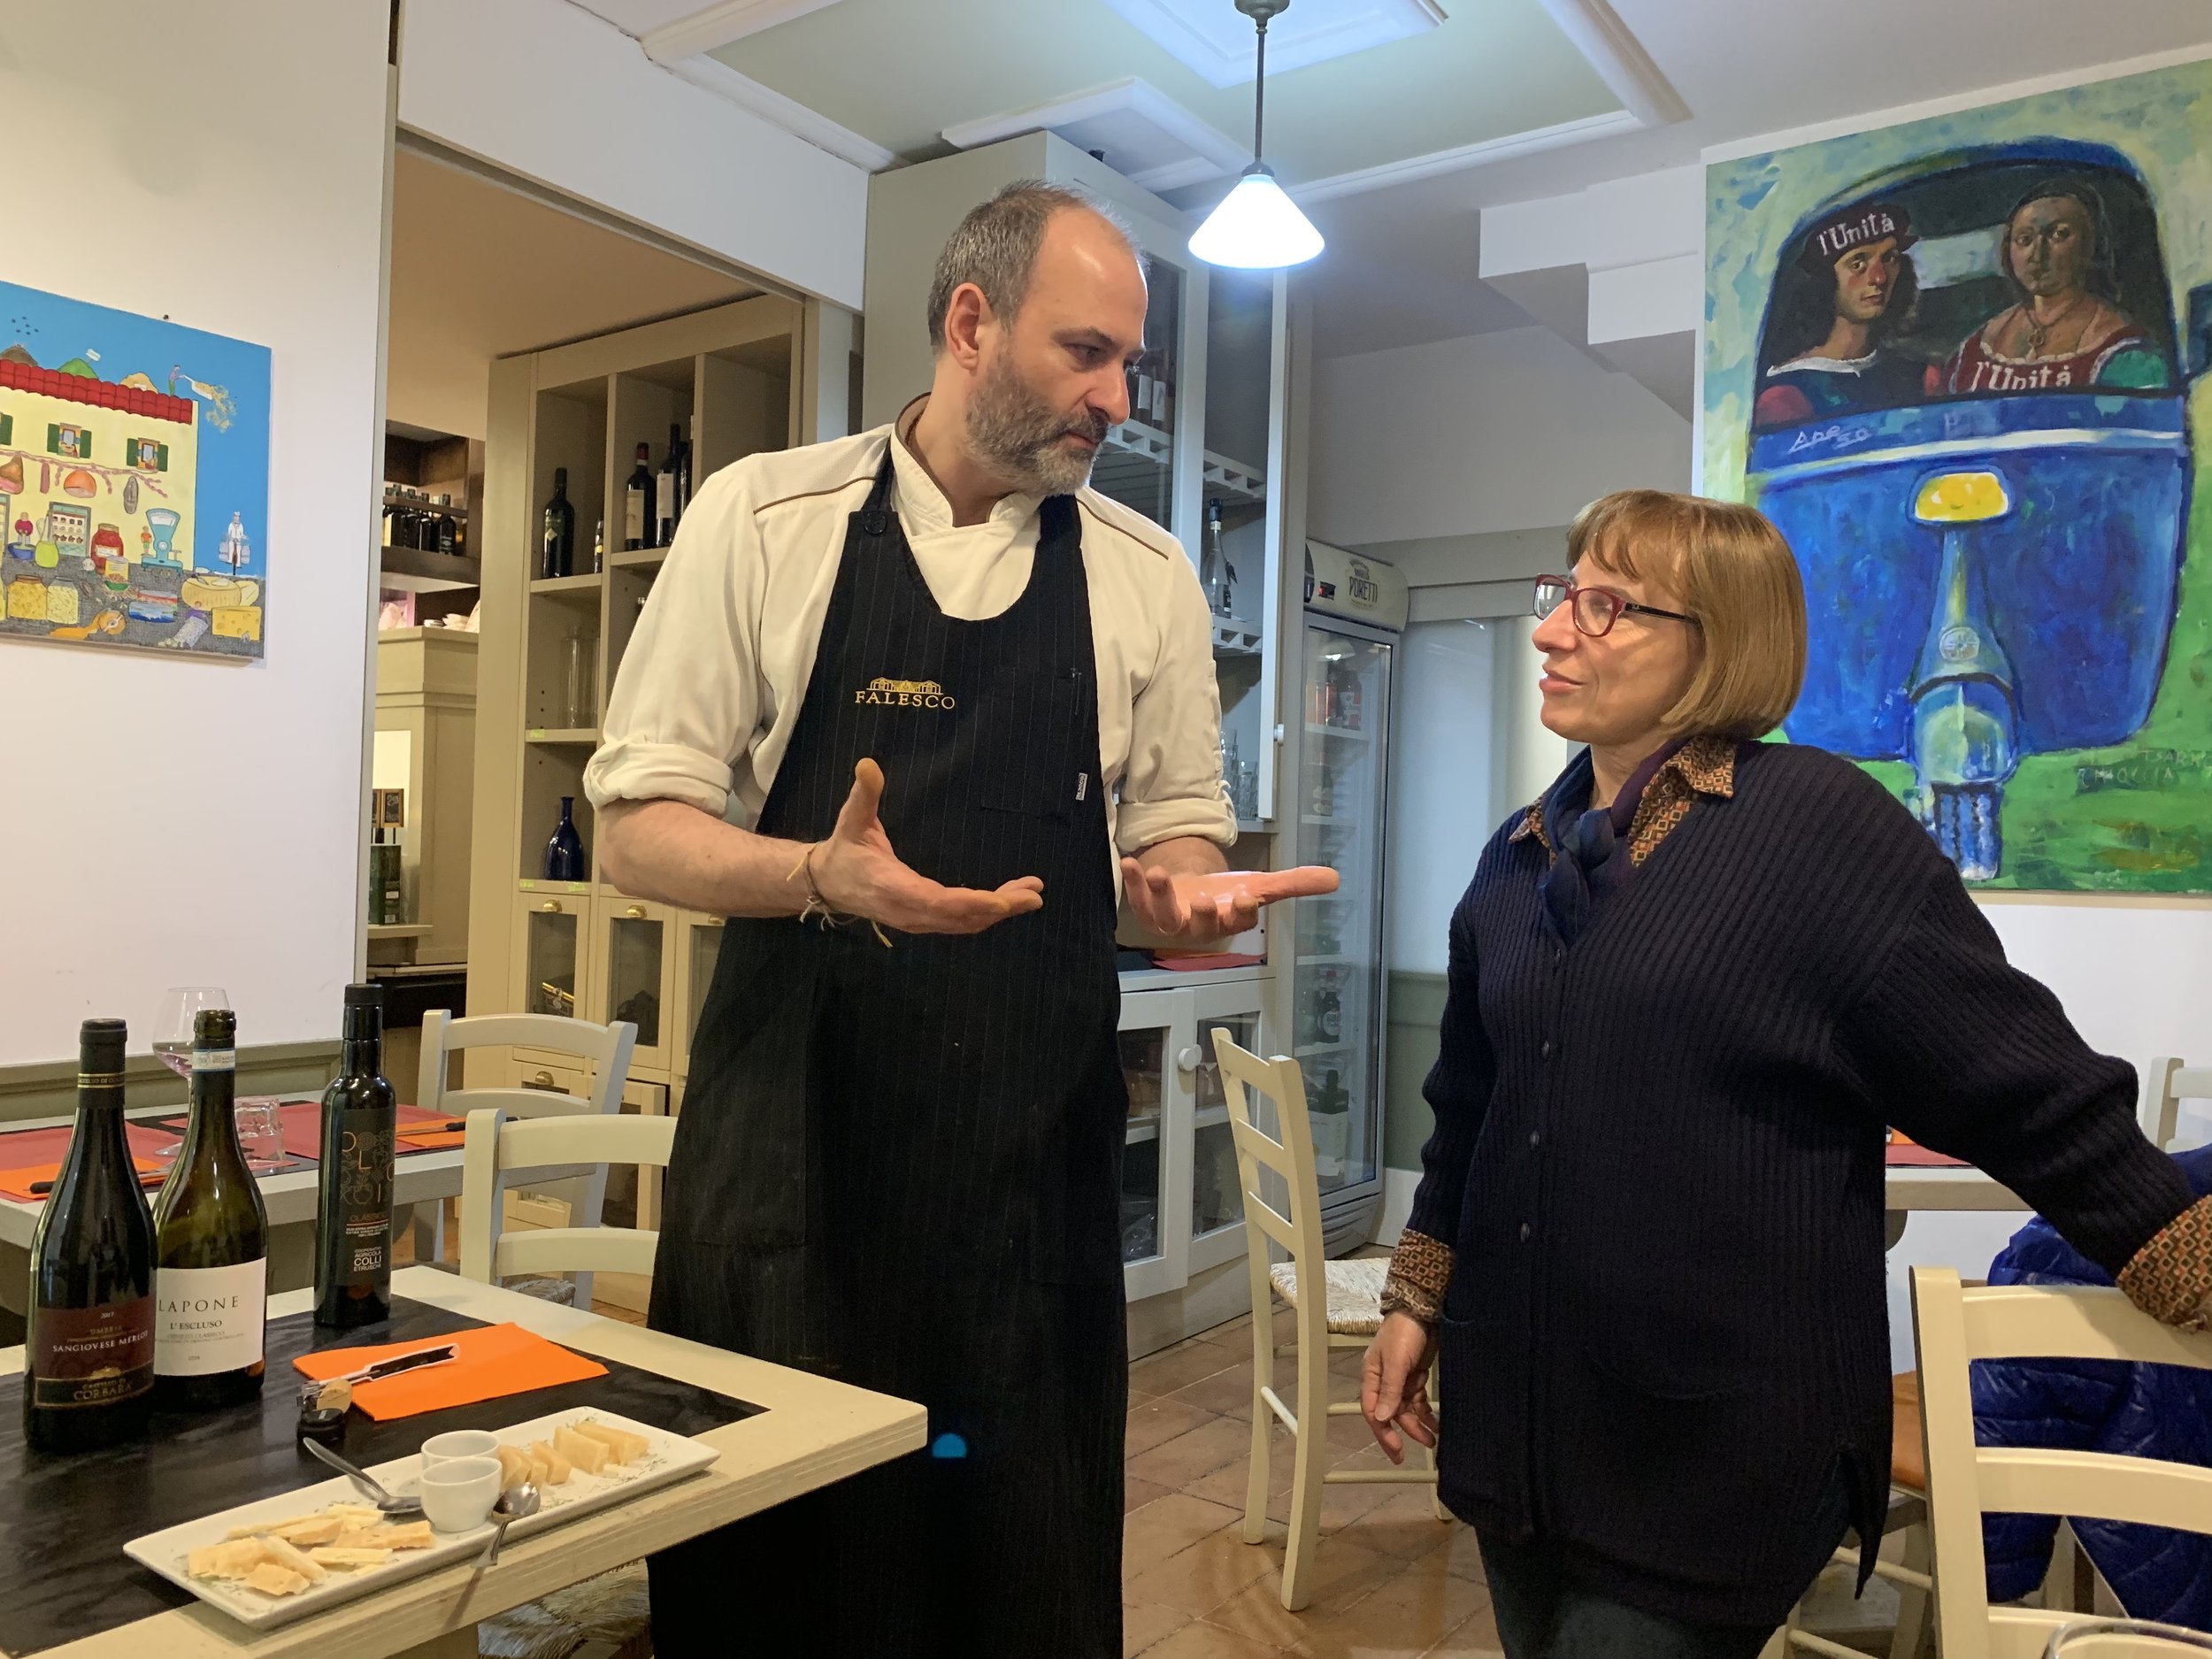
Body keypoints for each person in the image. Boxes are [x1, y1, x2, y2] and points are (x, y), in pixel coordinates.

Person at [582, 180, 1324, 1659]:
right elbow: (632, 828)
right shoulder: (765, 518)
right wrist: (813, 876)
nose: (1117, 398)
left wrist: (1176, 887)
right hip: (789, 1189)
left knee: (1014, 1589)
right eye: (1087, 352)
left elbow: (1173, 819)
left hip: (1021, 1209)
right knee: (773, 1597)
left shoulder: (1145, 574)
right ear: (970, 322)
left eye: (1132, 366)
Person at [1358, 488, 2211, 1659]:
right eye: (1563, 593)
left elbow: (2026, 1086)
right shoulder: (1517, 857)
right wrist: (1415, 1298)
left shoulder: (1815, 828)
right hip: (1518, 1432)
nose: (1554, 629)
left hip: (1712, 1458)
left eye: (1607, 605)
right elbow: (1467, 1117)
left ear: (1723, 644)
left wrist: (2181, 1258)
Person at [1939, 180, 2170, 395]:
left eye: (2058, 234)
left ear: (2090, 244)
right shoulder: (1972, 352)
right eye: (2024, 239)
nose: (2037, 255)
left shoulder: (2125, 352)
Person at [1752, 202, 1925, 429]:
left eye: (1888, 258)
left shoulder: (1918, 375)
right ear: (1823, 281)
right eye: (1858, 263)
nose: (1879, 278)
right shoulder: (1785, 398)